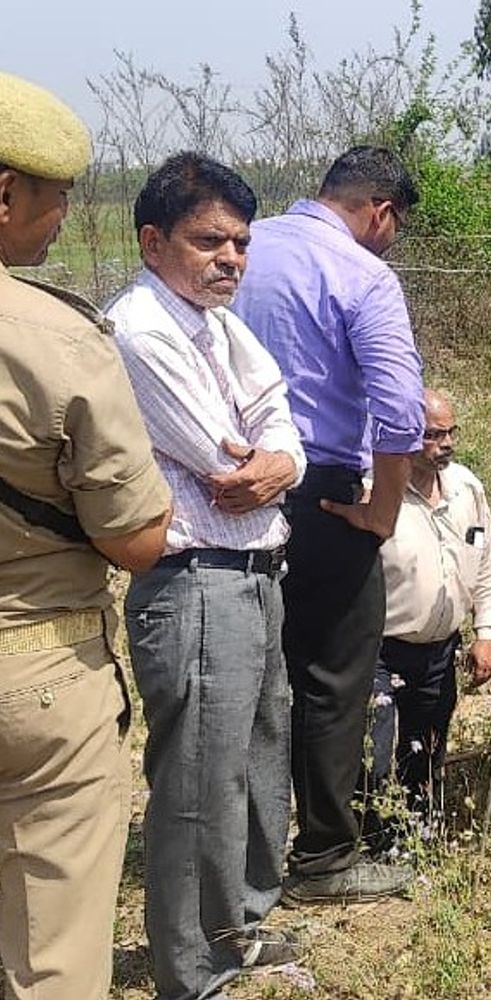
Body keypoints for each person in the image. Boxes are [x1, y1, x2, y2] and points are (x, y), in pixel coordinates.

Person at [106, 152, 307, 1000]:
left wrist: (281, 462)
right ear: (154, 242)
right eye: (208, 241)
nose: (230, 259)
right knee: (196, 782)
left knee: (261, 751)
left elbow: (277, 418)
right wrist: (266, 459)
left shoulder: (218, 326)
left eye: (239, 243)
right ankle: (191, 973)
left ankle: (240, 925)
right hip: (197, 580)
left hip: (255, 570)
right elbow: (218, 453)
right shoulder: (141, 329)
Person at [0, 73, 172, 1000]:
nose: (66, 211)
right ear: (2, 194)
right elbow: (140, 539)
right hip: (35, 673)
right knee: (54, 954)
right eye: (55, 190)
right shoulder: (55, 340)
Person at [232, 146, 424, 905]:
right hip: (321, 496)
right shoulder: (363, 275)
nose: (391, 239)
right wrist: (380, 511)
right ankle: (323, 860)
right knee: (333, 679)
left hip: (228, 491)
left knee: (250, 678)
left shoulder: (242, 246)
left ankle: (240, 860)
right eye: (396, 225)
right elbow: (401, 410)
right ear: (380, 212)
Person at [366, 389, 491, 824]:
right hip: (381, 650)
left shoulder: (467, 488)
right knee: (378, 745)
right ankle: (370, 833)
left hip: (440, 650)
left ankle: (418, 830)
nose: (445, 443)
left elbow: (486, 560)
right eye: (433, 434)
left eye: (450, 432)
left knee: (427, 746)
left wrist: (487, 632)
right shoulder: (374, 491)